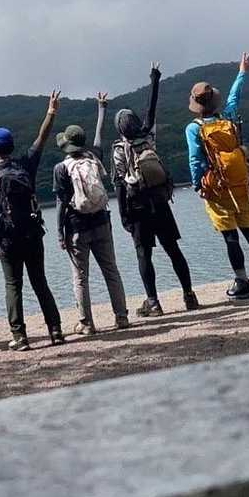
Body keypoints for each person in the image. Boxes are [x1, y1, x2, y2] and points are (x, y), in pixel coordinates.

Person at [110, 63, 199, 317]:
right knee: (173, 250)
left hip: (137, 208)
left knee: (144, 255)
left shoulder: (119, 149)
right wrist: (155, 78)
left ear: (119, 128)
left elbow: (119, 185)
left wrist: (124, 218)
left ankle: (153, 302)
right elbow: (151, 109)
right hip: (160, 202)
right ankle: (189, 295)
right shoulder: (148, 136)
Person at [0, 93, 66, 350]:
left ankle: (20, 337)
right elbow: (42, 138)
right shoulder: (25, 164)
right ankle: (56, 331)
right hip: (32, 233)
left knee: (13, 285)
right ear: (11, 146)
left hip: (8, 238)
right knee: (40, 282)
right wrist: (51, 111)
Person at [186, 53, 249, 300]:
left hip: (217, 187)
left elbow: (195, 160)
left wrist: (198, 185)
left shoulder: (194, 128)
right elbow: (234, 97)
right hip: (240, 184)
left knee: (231, 237)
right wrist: (242, 72)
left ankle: (242, 282)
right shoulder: (228, 118)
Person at [52, 92, 131, 335]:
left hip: (77, 227)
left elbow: (61, 203)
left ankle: (87, 323)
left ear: (66, 145)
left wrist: (59, 232)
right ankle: (121, 317)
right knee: (111, 270)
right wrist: (102, 108)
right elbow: (99, 135)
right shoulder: (94, 157)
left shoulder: (61, 168)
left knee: (80, 277)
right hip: (102, 222)